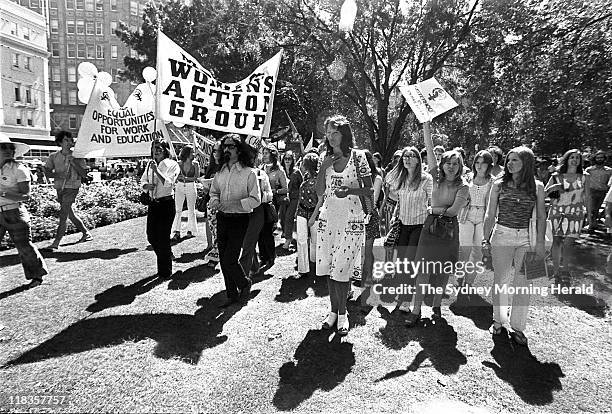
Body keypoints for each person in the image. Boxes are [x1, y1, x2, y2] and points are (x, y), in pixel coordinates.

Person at [313, 115, 372, 336]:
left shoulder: (358, 157)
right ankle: (332, 312)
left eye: (335, 132)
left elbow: (369, 190)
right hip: (329, 218)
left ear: (344, 134)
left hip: (352, 219)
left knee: (342, 269)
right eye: (328, 132)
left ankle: (343, 314)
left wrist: (350, 191)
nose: (330, 136)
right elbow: (320, 192)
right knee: (330, 269)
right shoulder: (324, 157)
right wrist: (323, 168)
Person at [405, 123, 469, 327]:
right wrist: (426, 126)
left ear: (460, 167)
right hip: (430, 229)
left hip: (448, 231)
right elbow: (429, 148)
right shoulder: (435, 176)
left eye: (455, 164)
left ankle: (437, 305)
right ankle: (415, 310)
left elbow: (452, 211)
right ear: (442, 164)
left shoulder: (463, 186)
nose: (451, 166)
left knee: (442, 273)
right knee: (423, 271)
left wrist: (433, 210)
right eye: (448, 162)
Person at [483, 146, 546, 346]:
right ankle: (499, 320)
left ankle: (517, 327)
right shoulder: (498, 184)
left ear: (526, 163)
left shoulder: (537, 186)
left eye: (515, 160)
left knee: (523, 283)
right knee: (500, 280)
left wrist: (541, 244)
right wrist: (485, 239)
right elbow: (490, 213)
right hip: (502, 235)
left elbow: (542, 217)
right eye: (508, 160)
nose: (509, 163)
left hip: (527, 239)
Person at [209, 134, 261, 307]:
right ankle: (232, 295)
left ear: (239, 150)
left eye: (230, 146)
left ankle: (245, 283)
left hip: (240, 219)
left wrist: (236, 204)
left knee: (230, 258)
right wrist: (215, 201)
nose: (226, 149)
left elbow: (256, 199)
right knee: (224, 260)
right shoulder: (220, 171)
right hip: (222, 218)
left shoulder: (249, 172)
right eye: (224, 146)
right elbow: (214, 192)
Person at [387, 146, 433, 312]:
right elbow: (399, 199)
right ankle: (403, 294)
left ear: (418, 160)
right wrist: (394, 215)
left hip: (419, 226)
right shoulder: (401, 177)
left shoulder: (426, 179)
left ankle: (406, 300)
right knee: (400, 262)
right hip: (402, 225)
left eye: (412, 156)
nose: (407, 158)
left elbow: (432, 202)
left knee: (409, 261)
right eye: (405, 156)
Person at [0, 133, 48, 286]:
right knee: (24, 247)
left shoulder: (19, 169)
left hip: (14, 212)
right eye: (3, 147)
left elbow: (25, 196)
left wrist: (2, 193)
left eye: (10, 147)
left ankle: (37, 277)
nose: (8, 150)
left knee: (24, 247)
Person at [545, 149, 589, 282]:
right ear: (567, 159)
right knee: (557, 242)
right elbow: (546, 193)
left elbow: (587, 197)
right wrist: (554, 188)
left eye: (577, 157)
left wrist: (589, 215)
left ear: (580, 161)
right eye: (572, 157)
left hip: (576, 213)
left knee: (569, 243)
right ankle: (557, 270)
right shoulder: (556, 176)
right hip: (557, 212)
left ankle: (565, 270)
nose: (575, 159)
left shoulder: (584, 177)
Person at [43, 131, 92, 250]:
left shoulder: (77, 156)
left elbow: (84, 174)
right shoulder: (53, 157)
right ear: (60, 142)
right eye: (66, 140)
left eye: (70, 140)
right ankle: (86, 233)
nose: (69, 142)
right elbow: (47, 172)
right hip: (60, 188)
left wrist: (74, 163)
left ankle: (56, 242)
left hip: (72, 187)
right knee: (70, 213)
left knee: (63, 214)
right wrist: (59, 175)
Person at [141, 139, 180, 279]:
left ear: (165, 150)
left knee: (163, 238)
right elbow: (143, 180)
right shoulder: (149, 164)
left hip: (166, 204)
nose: (156, 150)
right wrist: (146, 186)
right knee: (151, 236)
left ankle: (165, 271)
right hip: (153, 204)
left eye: (159, 148)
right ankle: (166, 254)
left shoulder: (172, 164)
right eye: (154, 148)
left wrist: (156, 171)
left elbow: (168, 184)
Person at [457, 150, 494, 298]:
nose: (479, 166)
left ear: (488, 165)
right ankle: (460, 276)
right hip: (466, 215)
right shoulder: (467, 177)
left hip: (483, 217)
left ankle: (469, 282)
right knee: (464, 250)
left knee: (477, 252)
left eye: (483, 163)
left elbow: (491, 204)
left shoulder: (493, 181)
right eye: (477, 163)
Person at [240, 148, 273, 277]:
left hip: (257, 210)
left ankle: (243, 275)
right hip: (242, 210)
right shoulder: (239, 174)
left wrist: (258, 196)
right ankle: (254, 266)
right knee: (245, 242)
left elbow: (269, 195)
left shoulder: (261, 173)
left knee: (248, 242)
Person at [296, 153, 319, 277]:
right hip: (301, 211)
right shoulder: (305, 177)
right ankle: (303, 269)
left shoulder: (319, 180)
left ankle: (314, 263)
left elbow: (320, 199)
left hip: (314, 212)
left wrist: (313, 217)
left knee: (315, 240)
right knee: (301, 239)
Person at [171, 145, 200, 241]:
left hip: (191, 186)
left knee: (191, 209)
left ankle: (190, 230)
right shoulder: (178, 163)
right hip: (179, 186)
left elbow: (196, 177)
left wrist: (187, 178)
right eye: (192, 152)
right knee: (178, 210)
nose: (193, 154)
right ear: (187, 153)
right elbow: (174, 176)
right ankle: (176, 231)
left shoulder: (195, 164)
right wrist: (179, 177)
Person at [202, 141, 223, 266]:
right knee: (213, 228)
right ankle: (215, 251)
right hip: (210, 202)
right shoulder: (210, 167)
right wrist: (205, 187)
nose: (216, 153)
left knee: (219, 229)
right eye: (214, 151)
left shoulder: (225, 167)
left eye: (218, 151)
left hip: (223, 202)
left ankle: (215, 255)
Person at [585, 150, 612, 232]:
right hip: (591, 191)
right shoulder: (589, 169)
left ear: (604, 159)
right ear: (595, 158)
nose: (599, 159)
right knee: (591, 208)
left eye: (601, 158)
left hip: (602, 192)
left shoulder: (609, 170)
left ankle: (593, 223)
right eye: (598, 158)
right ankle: (589, 224)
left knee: (597, 209)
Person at [262, 147, 288, 232]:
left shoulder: (279, 171)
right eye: (263, 153)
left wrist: (275, 191)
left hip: (272, 205)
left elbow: (286, 189)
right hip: (260, 202)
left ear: (272, 155)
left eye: (266, 153)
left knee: (268, 231)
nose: (264, 155)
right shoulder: (260, 168)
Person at [282, 150, 302, 250]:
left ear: (292, 160)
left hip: (294, 198)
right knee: (282, 218)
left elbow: (302, 185)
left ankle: (288, 239)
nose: (287, 160)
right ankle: (288, 235)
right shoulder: (281, 170)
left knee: (289, 217)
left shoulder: (296, 172)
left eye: (289, 159)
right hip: (283, 198)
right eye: (285, 158)